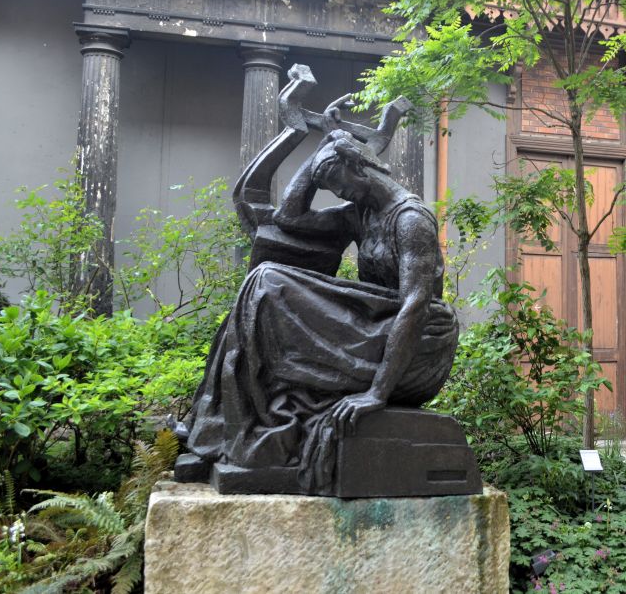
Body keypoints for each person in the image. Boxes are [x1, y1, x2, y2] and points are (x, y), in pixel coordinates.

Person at [182, 127, 459, 494]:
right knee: (259, 289)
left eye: (337, 182)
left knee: (268, 282)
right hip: (374, 321)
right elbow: (288, 217)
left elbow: (415, 304)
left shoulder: (411, 220)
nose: (338, 193)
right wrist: (321, 153)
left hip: (419, 339)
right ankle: (217, 427)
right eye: (329, 187)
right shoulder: (360, 214)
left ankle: (221, 429)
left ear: (358, 165)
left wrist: (377, 393)